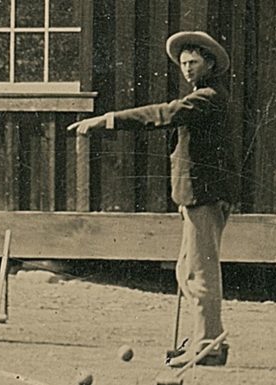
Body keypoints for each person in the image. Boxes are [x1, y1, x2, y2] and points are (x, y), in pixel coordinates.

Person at [67, 31, 233, 367]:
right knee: (187, 270)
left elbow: (164, 113)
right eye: (184, 63)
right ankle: (203, 340)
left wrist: (107, 120)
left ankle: (209, 346)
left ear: (210, 63)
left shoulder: (209, 97)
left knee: (199, 273)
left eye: (194, 62)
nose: (187, 69)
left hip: (204, 195)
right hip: (195, 194)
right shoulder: (202, 95)